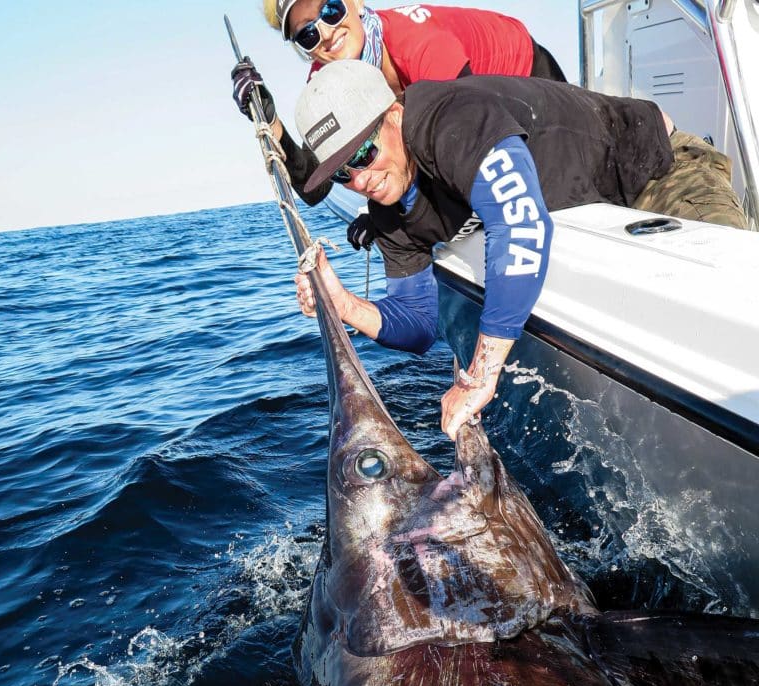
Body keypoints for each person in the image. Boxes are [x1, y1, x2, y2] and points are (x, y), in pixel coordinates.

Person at [290, 61, 748, 440]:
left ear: (394, 114)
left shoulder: (449, 119)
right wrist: (344, 304)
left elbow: (520, 223)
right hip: (593, 215)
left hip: (656, 168)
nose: (360, 178)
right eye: (342, 173)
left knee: (737, 302)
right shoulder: (389, 208)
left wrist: (480, 375)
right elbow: (420, 323)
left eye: (363, 154)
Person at [231, 0, 567, 246]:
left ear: (356, 4)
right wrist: (269, 118)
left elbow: (468, 147)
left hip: (525, 73)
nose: (327, 33)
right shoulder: (327, 79)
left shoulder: (418, 45)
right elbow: (314, 188)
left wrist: (388, 220)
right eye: (307, 34)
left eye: (331, 10)